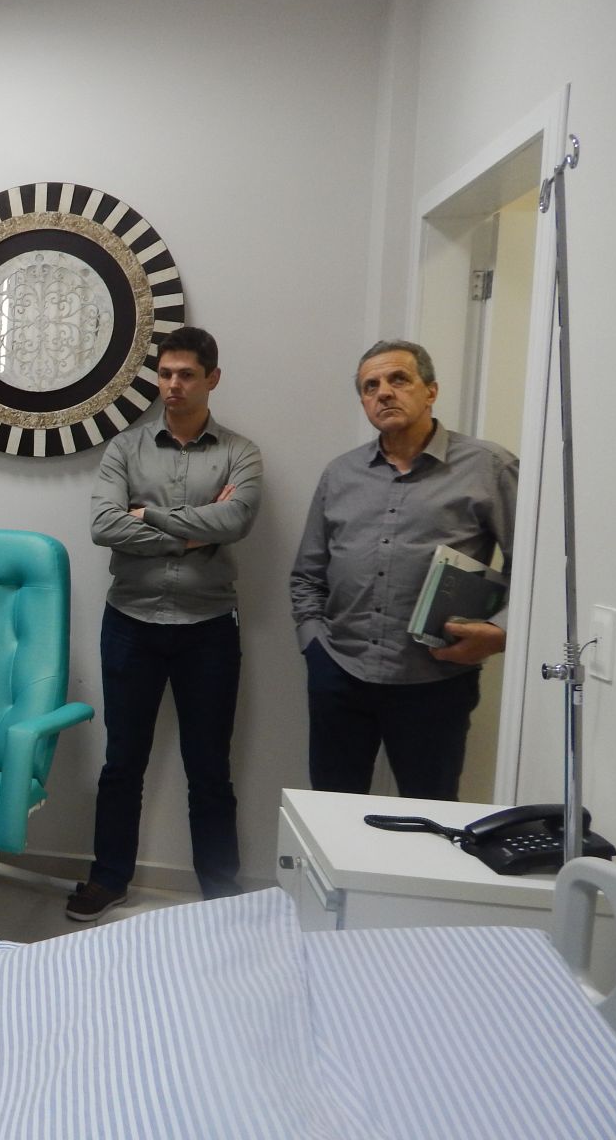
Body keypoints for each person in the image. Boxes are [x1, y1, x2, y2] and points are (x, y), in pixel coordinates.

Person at [67, 327, 262, 923]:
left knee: (210, 768)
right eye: (166, 373)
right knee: (123, 762)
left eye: (186, 375)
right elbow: (103, 525)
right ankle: (109, 878)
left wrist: (147, 515)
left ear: (212, 379)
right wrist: (193, 532)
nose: (173, 385)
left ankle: (220, 888)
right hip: (132, 622)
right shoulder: (125, 448)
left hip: (209, 627)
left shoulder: (240, 453)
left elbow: (237, 519)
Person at [290, 339, 517, 800]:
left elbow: (538, 571)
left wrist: (500, 632)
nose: (384, 393)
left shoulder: (490, 468)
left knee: (429, 815)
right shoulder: (340, 474)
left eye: (398, 379)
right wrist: (315, 648)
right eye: (370, 386)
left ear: (431, 390)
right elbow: (307, 574)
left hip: (435, 682)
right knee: (331, 814)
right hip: (341, 674)